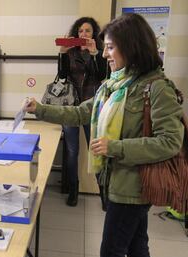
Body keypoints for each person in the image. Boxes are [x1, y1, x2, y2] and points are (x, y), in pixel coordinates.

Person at [26, 13, 184, 257]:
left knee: (111, 254)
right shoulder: (113, 85)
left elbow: (170, 142)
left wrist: (116, 147)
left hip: (131, 187)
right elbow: (79, 113)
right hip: (114, 182)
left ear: (131, 47)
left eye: (110, 47)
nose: (105, 54)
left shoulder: (157, 88)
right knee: (136, 248)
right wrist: (39, 109)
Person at [58, 17, 107, 207]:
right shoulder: (70, 53)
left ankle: (103, 193)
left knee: (95, 150)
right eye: (80, 31)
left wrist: (95, 53)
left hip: (92, 108)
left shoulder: (100, 52)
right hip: (71, 106)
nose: (83, 34)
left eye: (87, 31)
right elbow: (62, 76)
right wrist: (62, 53)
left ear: (93, 33)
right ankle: (73, 191)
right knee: (71, 151)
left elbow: (103, 75)